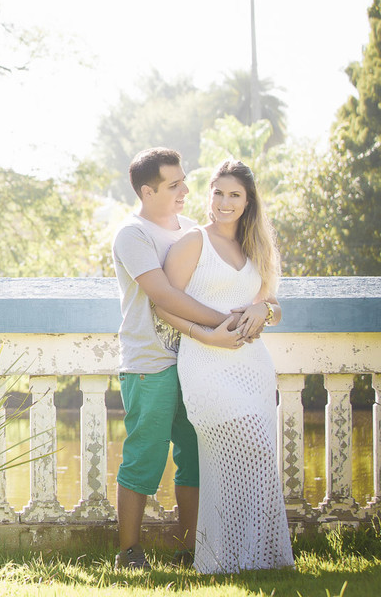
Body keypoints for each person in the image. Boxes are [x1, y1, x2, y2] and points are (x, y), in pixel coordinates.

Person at [154, 159, 293, 573]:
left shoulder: (258, 246)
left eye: (235, 195)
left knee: (260, 456)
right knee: (246, 445)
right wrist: (206, 334)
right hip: (206, 364)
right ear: (209, 193)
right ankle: (223, 557)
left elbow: (273, 306)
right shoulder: (193, 242)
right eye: (219, 192)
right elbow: (162, 304)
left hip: (252, 367)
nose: (225, 202)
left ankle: (253, 558)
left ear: (248, 201)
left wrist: (264, 313)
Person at [110, 148, 238, 571]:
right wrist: (226, 323)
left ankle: (192, 550)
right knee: (145, 456)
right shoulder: (133, 234)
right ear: (147, 191)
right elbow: (163, 295)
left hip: (196, 359)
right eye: (174, 184)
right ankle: (128, 552)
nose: (186, 190)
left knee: (194, 453)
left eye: (184, 181)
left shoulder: (187, 229)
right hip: (151, 364)